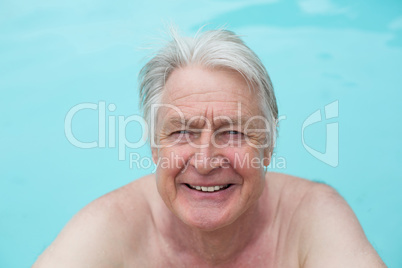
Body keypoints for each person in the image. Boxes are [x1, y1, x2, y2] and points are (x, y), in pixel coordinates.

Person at [33, 28, 386, 267]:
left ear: (268, 147)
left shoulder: (311, 217)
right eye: (183, 132)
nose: (204, 161)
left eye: (232, 132)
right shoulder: (109, 229)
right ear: (155, 149)